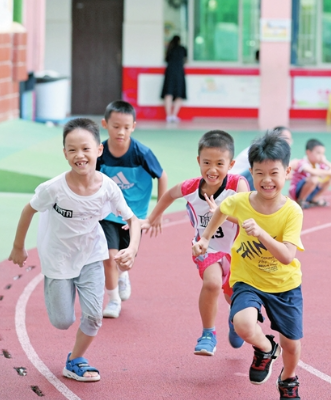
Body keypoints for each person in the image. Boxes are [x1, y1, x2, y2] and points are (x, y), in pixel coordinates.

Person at [8, 118, 141, 382]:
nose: (79, 155)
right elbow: (28, 210)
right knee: (62, 320)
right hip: (57, 257)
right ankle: (59, 298)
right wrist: (18, 246)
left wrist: (132, 249)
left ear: (98, 150)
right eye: (72, 150)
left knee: (93, 316)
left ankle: (75, 360)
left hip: (91, 255)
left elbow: (132, 220)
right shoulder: (53, 188)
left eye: (85, 148)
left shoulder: (107, 188)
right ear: (65, 153)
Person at [192, 131, 304, 399]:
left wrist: (261, 234)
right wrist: (205, 238)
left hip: (284, 285)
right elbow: (222, 209)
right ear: (250, 173)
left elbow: (287, 256)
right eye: (259, 173)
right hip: (248, 280)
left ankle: (288, 379)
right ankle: (265, 348)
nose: (267, 180)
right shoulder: (241, 201)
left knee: (291, 344)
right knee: (242, 323)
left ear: (286, 172)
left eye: (274, 173)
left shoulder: (292, 212)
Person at [142, 130, 249, 355]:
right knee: (211, 284)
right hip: (205, 247)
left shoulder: (238, 185)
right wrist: (153, 218)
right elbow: (169, 195)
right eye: (207, 162)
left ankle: (234, 321)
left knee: (232, 297)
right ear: (198, 161)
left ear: (231, 164)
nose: (212, 169)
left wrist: (221, 213)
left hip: (237, 252)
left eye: (220, 163)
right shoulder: (191, 187)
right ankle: (208, 333)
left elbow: (246, 218)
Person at [97, 100, 167, 318]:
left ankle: (123, 276)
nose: (121, 131)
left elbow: (162, 177)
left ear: (134, 126)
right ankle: (113, 300)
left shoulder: (142, 153)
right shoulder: (100, 152)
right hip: (107, 213)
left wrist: (158, 214)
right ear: (105, 124)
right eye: (116, 126)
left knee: (125, 261)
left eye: (126, 127)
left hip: (133, 217)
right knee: (109, 256)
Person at [289, 138, 331, 209]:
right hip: (297, 191)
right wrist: (330, 172)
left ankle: (314, 199)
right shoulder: (302, 162)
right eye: (318, 153)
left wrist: (325, 161)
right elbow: (313, 172)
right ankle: (301, 200)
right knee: (314, 178)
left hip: (311, 190)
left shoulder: (319, 164)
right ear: (308, 152)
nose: (321, 156)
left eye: (323, 154)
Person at [161, 35, 187, 122]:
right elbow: (185, 60)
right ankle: (174, 115)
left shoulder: (170, 48)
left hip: (169, 72)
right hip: (179, 72)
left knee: (168, 93)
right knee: (179, 94)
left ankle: (168, 116)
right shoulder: (182, 48)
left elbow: (166, 59)